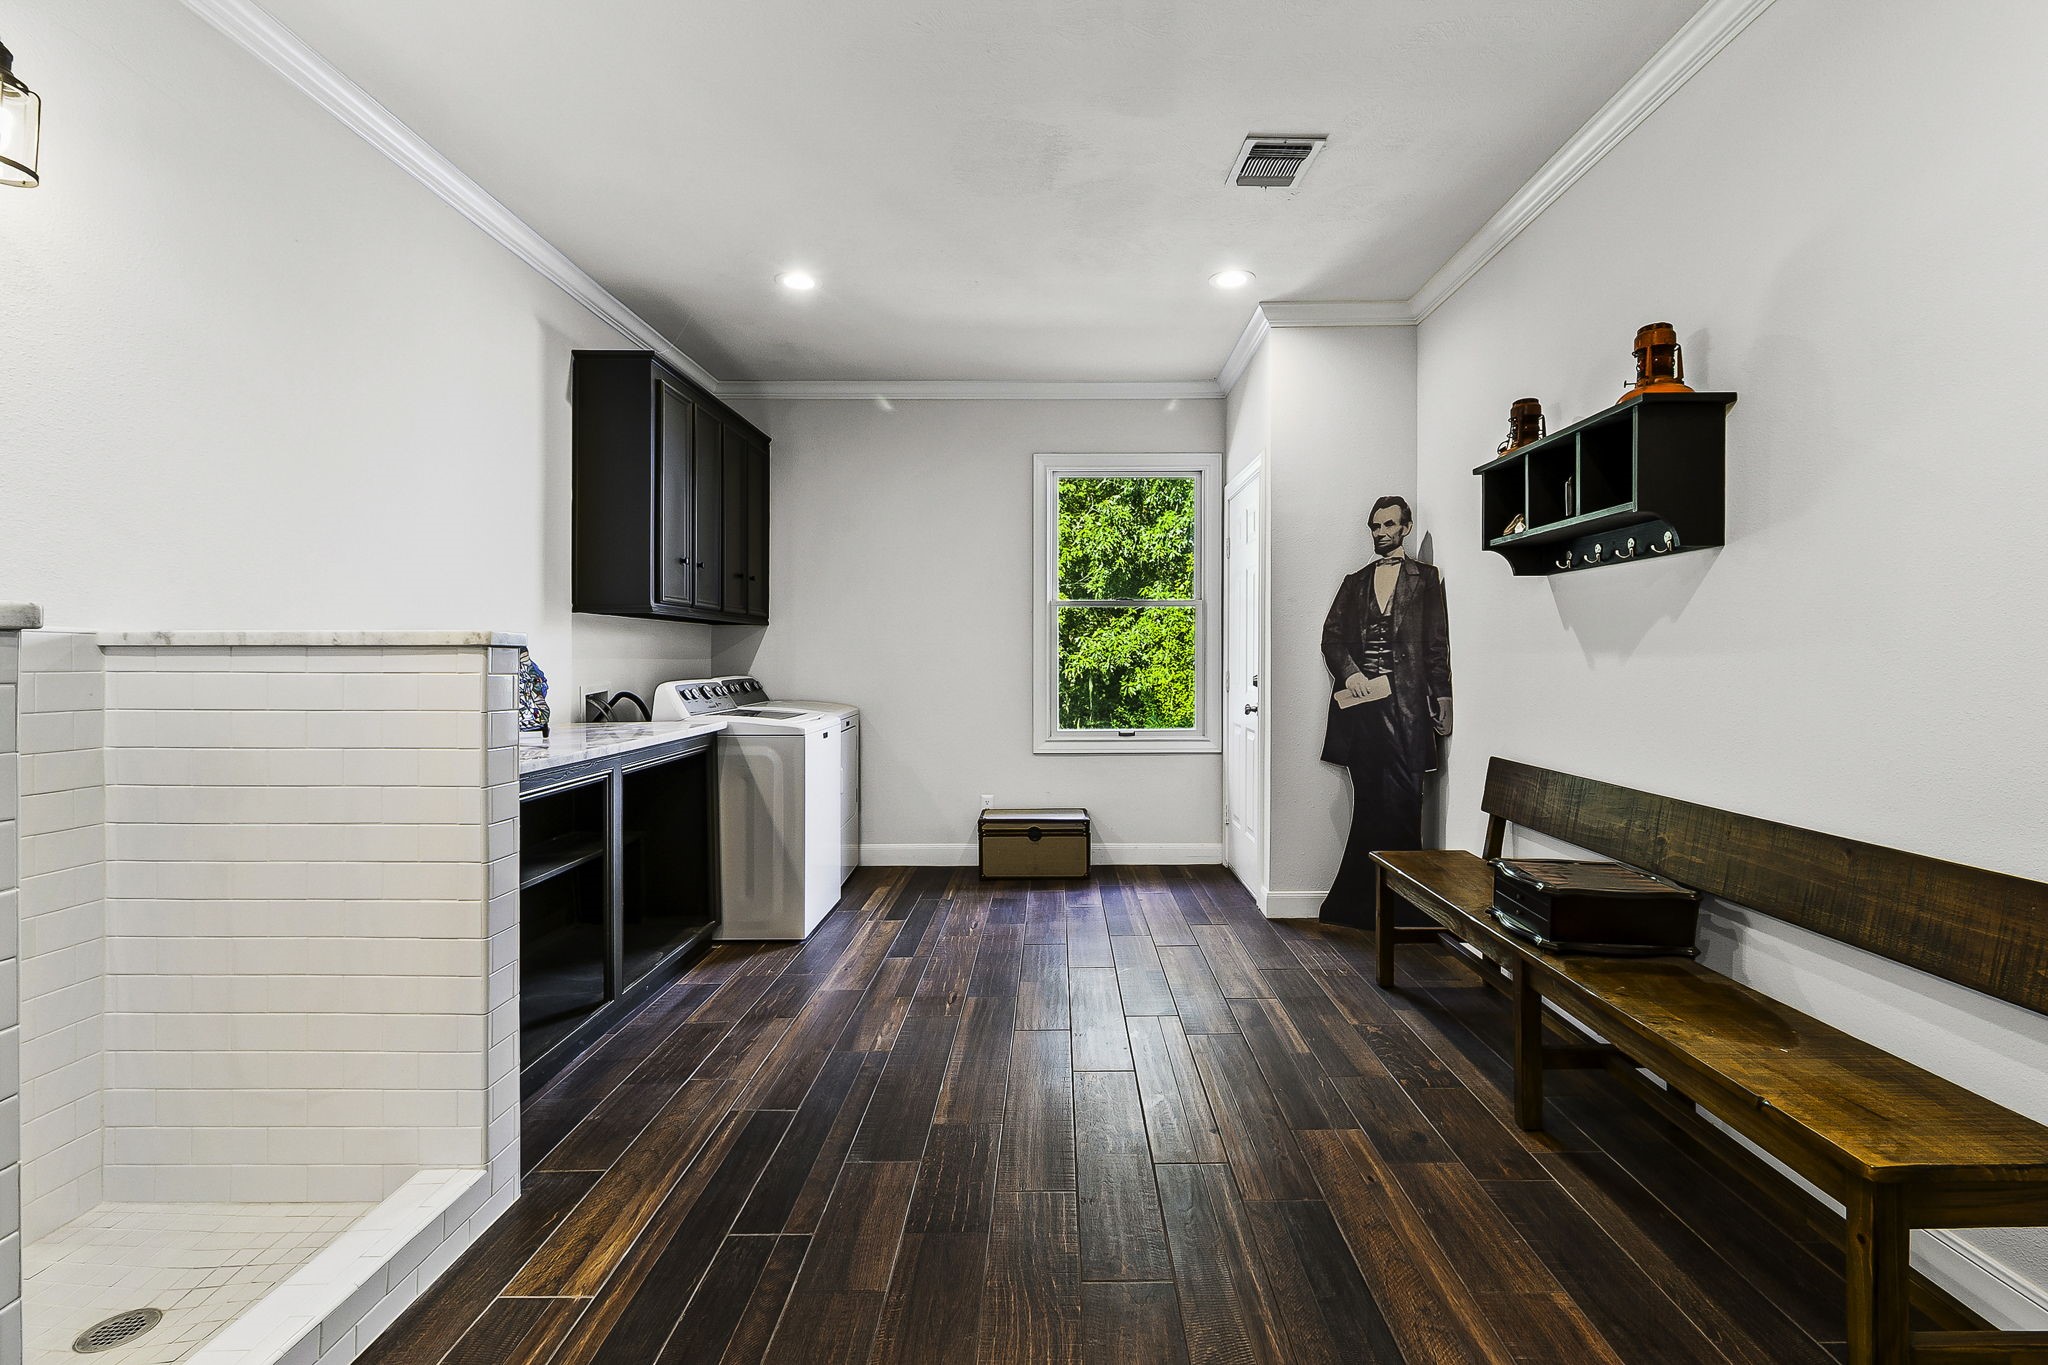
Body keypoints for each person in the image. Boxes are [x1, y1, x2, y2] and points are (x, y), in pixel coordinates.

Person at [1318, 495, 1452, 927]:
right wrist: (1352, 673)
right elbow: (1332, 639)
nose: (1380, 533)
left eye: (1389, 525)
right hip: (1361, 714)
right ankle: (1355, 908)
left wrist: (1443, 697)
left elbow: (1435, 645)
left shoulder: (1426, 580)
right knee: (1371, 806)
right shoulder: (1354, 582)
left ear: (1405, 528)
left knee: (1404, 807)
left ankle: (1406, 913)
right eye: (1375, 526)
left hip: (1408, 710)